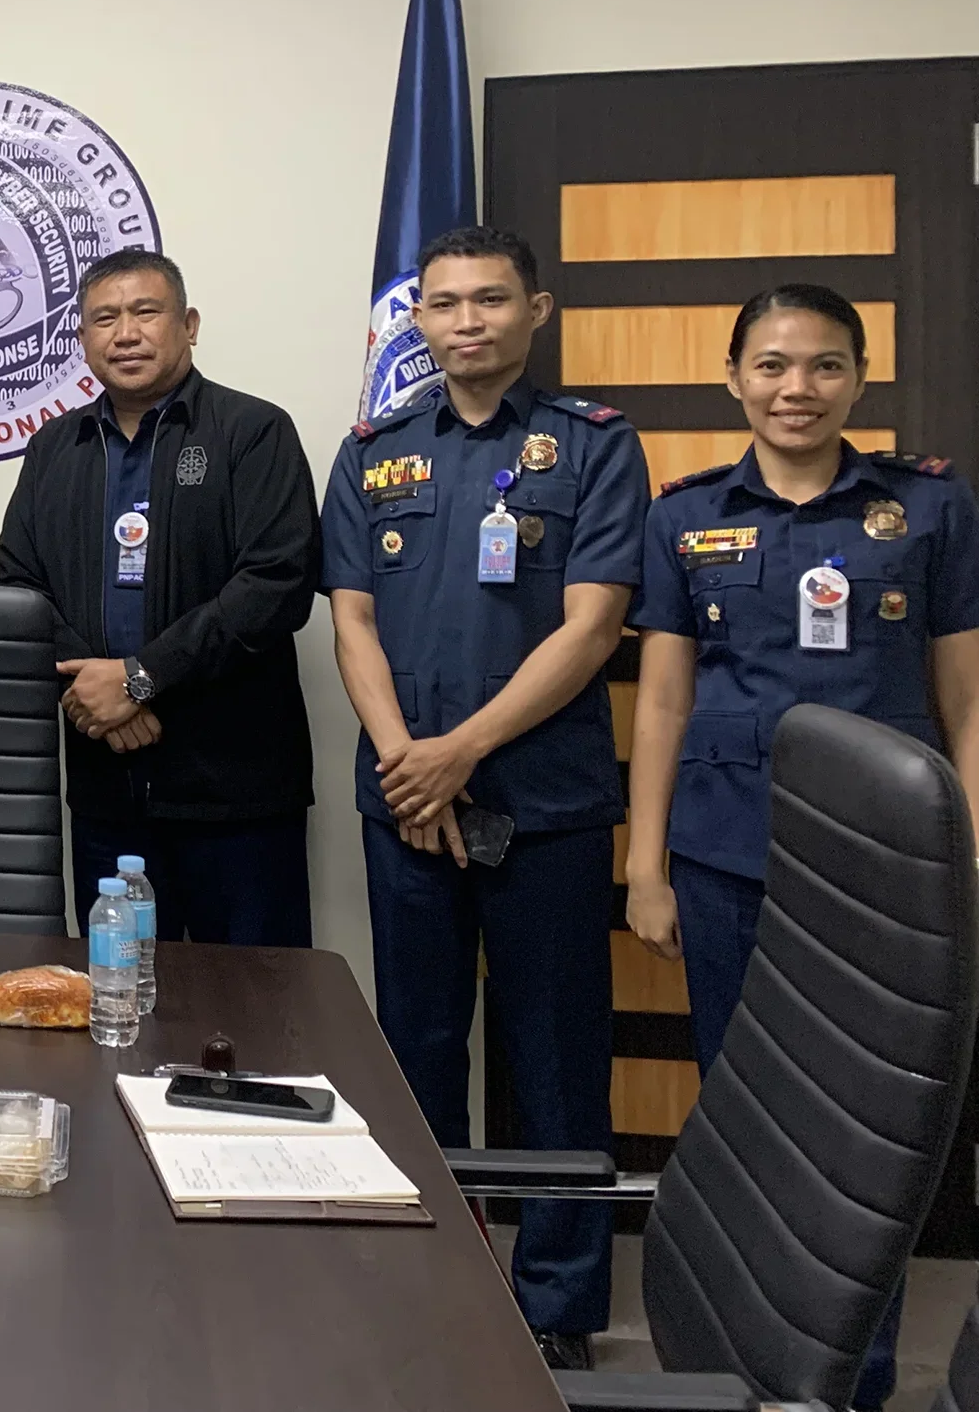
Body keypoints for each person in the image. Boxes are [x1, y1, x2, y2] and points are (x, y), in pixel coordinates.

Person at [627, 283, 979, 1411]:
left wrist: (968, 850)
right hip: (731, 855)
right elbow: (662, 704)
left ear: (858, 380)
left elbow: (965, 699)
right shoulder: (683, 516)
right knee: (751, 1119)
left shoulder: (926, 510)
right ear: (733, 378)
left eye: (823, 366)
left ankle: (854, 1379)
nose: (796, 388)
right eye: (772, 366)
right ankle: (749, 1373)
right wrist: (645, 863)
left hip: (890, 877)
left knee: (865, 1134)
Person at [321, 226, 648, 1369]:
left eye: (490, 300)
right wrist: (409, 759)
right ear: (419, 322)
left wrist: (456, 750)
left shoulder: (595, 448)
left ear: (534, 311)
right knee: (412, 1048)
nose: (466, 320)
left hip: (543, 802)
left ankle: (558, 1305)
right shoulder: (371, 450)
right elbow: (349, 620)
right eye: (445, 303)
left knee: (555, 1055)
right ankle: (432, 1273)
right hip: (405, 801)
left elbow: (595, 624)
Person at [0, 247, 321, 943]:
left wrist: (141, 679)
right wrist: (98, 698)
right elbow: (20, 586)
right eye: (104, 318)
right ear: (83, 338)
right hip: (106, 789)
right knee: (123, 1005)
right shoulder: (55, 446)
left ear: (188, 323)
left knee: (259, 1008)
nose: (126, 332)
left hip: (235, 794)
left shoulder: (252, 431)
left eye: (146, 311)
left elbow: (277, 584)